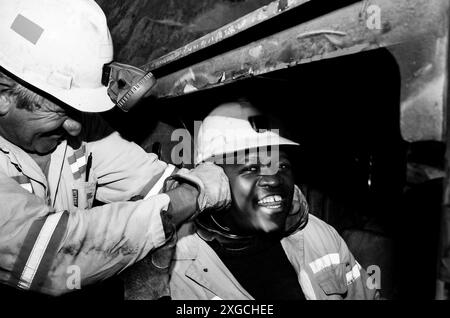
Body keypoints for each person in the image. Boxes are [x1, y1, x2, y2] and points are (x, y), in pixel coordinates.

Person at [0, 0, 230, 297]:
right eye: (60, 111)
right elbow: (53, 258)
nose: (75, 128)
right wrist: (188, 199)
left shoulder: (84, 129)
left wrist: (212, 185)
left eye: (78, 111)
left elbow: (156, 182)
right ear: (3, 97)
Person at [169, 100, 378, 300]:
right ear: (212, 179)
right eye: (251, 168)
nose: (274, 179)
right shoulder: (175, 267)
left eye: (283, 166)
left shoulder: (317, 234)